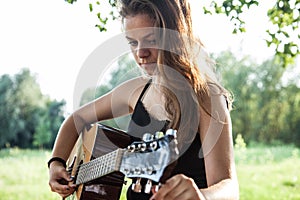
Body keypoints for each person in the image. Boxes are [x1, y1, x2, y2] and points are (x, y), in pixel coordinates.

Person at [48, 0, 239, 199]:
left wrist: (203, 197)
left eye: (151, 40)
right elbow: (76, 120)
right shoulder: (136, 90)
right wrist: (56, 163)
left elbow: (229, 189)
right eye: (133, 42)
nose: (140, 53)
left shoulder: (206, 96)